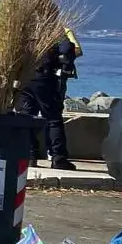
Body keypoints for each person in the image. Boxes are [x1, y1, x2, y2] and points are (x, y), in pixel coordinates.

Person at [21, 27, 83, 170]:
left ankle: (29, 155)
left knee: (25, 117)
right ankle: (58, 157)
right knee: (53, 118)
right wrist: (65, 65)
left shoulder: (24, 28)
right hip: (45, 78)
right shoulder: (55, 31)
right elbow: (69, 49)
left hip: (25, 78)